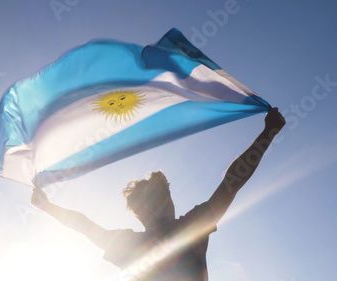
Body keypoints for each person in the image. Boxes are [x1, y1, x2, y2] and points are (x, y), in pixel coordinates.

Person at [31, 108, 286, 281]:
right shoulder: (186, 229)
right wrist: (268, 133)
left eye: (164, 197)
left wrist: (47, 206)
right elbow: (232, 183)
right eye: (159, 199)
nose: (166, 204)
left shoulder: (138, 243)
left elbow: (84, 225)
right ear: (142, 211)